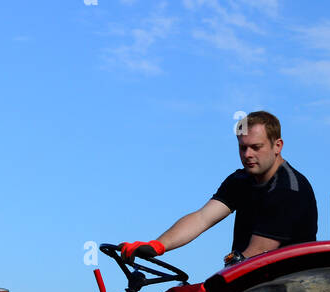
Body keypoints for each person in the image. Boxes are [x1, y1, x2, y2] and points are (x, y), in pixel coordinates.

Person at [119, 109, 317, 266]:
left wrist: (212, 288)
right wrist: (157, 245)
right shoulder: (241, 179)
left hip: (279, 283)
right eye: (242, 147)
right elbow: (202, 218)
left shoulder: (288, 189)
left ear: (277, 146)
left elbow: (257, 254)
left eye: (256, 147)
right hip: (252, 279)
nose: (247, 154)